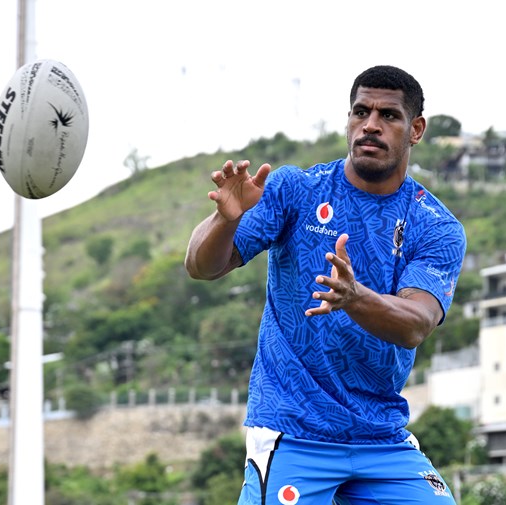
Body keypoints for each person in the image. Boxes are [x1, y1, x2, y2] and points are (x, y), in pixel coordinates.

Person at [185, 65, 466, 504]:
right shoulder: (295, 190)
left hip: (382, 437)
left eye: (388, 115)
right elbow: (202, 267)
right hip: (293, 430)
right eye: (360, 112)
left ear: (416, 130)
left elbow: (416, 324)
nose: (370, 125)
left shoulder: (435, 226)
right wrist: (224, 221)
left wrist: (355, 298)